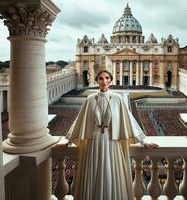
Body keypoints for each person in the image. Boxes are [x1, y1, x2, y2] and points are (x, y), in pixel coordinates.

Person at [65, 66, 158, 200]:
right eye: (101, 78)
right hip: (94, 143)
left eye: (107, 78)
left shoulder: (118, 99)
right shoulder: (90, 99)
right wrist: (67, 142)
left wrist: (144, 142)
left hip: (111, 142)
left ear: (111, 80)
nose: (104, 81)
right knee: (93, 175)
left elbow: (128, 121)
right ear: (97, 81)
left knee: (111, 174)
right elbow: (80, 122)